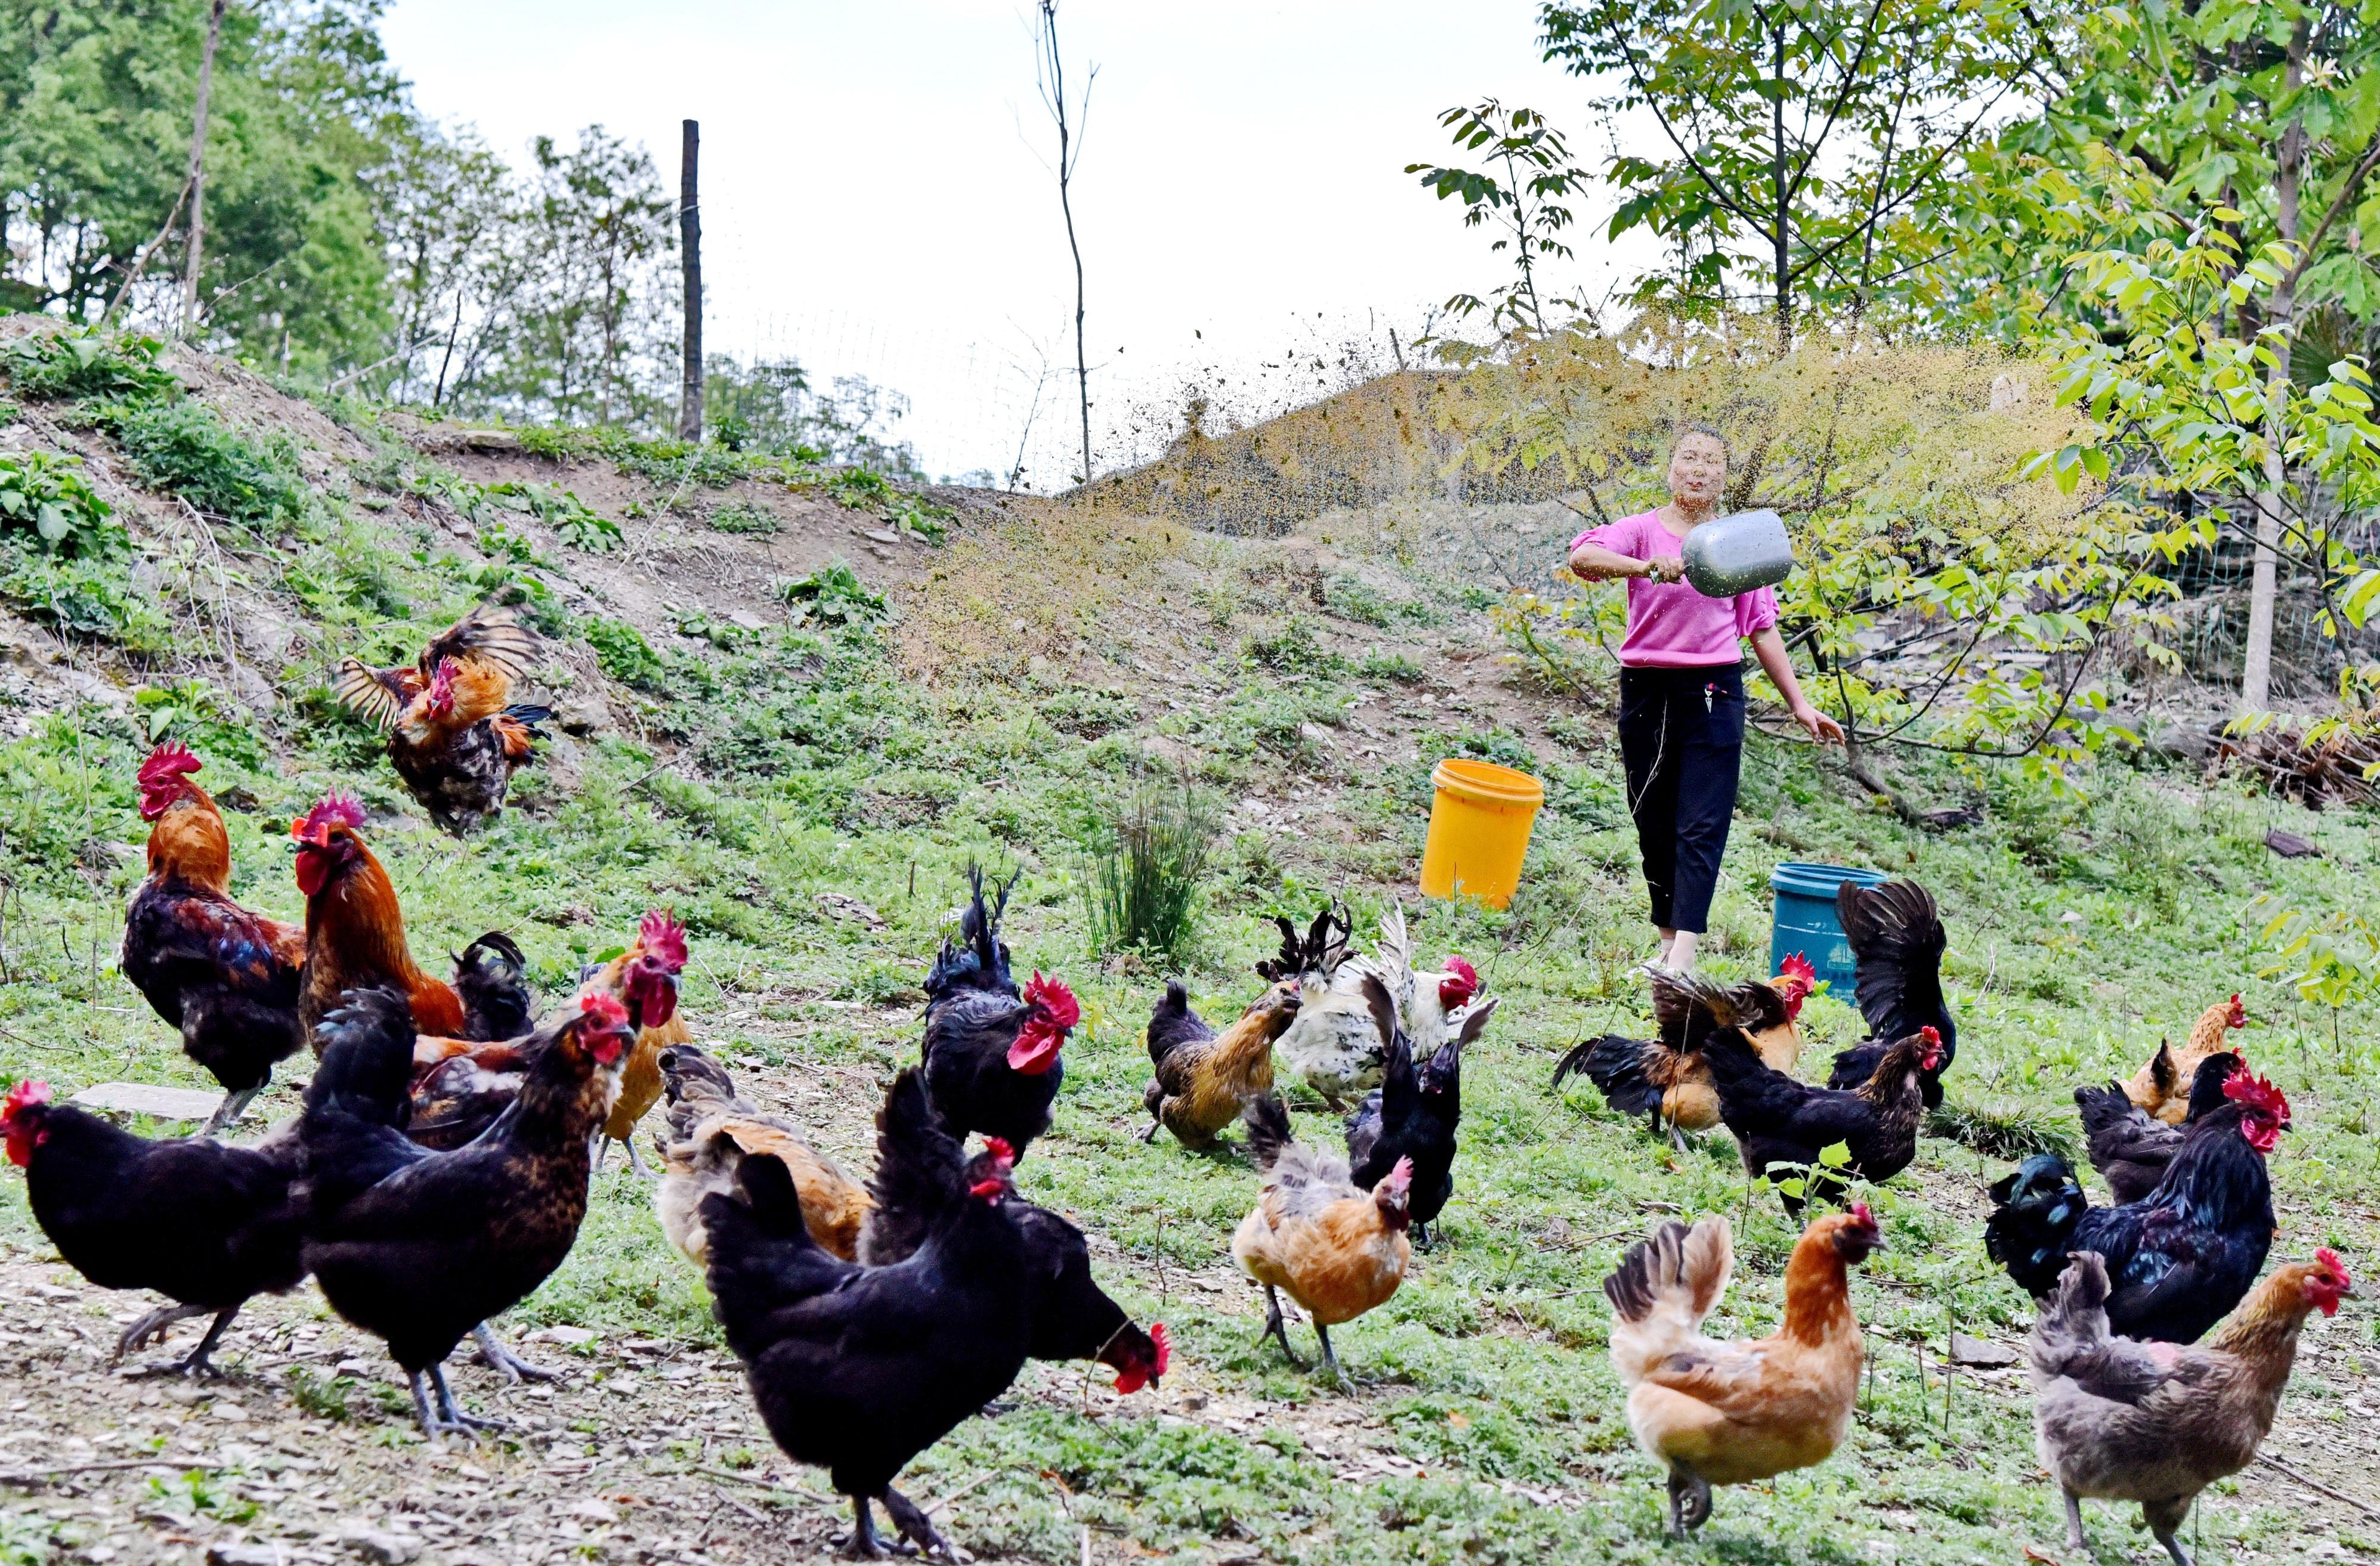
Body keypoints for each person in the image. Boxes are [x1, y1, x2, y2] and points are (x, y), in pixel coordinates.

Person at [1567, 426, 1844, 971]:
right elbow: (1584, 556)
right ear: (1670, 469)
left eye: (1712, 461)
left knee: (1702, 819)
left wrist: (1800, 705)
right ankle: (1667, 942)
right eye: (1689, 457)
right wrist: (1645, 567)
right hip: (1645, 686)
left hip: (1714, 688)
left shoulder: (1735, 545)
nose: (1699, 468)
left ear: (1723, 477)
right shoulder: (1642, 532)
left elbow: (1763, 629)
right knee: (1652, 814)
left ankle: (1685, 955)